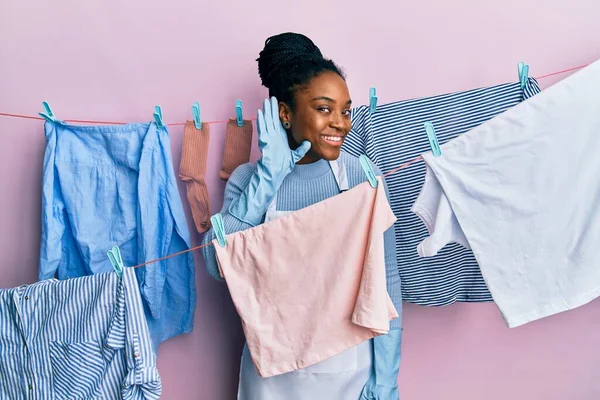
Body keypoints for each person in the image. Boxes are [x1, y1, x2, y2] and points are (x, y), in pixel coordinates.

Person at [201, 32, 403, 400]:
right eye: (324, 108)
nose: (340, 123)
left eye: (345, 110)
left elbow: (387, 279)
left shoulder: (360, 174)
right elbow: (216, 265)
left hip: (349, 372)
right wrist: (268, 177)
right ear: (285, 112)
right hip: (272, 378)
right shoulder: (250, 180)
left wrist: (386, 378)